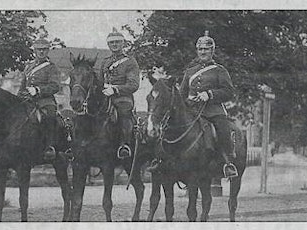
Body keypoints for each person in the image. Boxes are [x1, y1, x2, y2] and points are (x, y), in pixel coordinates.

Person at [147, 31, 239, 178]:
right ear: (197, 51)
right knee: (167, 127)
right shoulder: (190, 72)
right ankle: (159, 159)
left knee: (223, 131)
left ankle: (228, 163)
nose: (203, 52)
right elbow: (182, 94)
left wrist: (209, 94)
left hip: (214, 111)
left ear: (212, 51)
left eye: (206, 49)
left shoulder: (220, 71)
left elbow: (228, 92)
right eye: (200, 49)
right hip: (192, 110)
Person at [99, 27, 140, 159]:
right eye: (112, 42)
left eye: (117, 42)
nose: (115, 45)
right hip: (105, 97)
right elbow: (99, 81)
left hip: (123, 98)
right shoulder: (105, 62)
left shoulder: (130, 62)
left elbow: (133, 84)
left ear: (123, 44)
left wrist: (115, 89)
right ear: (108, 45)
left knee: (124, 113)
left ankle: (125, 145)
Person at [18, 38, 62, 161]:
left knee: (49, 116)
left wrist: (38, 90)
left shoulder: (52, 67)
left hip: (45, 101)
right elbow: (22, 86)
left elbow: (55, 86)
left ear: (48, 51)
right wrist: (17, 98)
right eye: (39, 50)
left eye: (44, 50)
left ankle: (50, 147)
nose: (41, 52)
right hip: (27, 100)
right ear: (34, 51)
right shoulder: (29, 67)